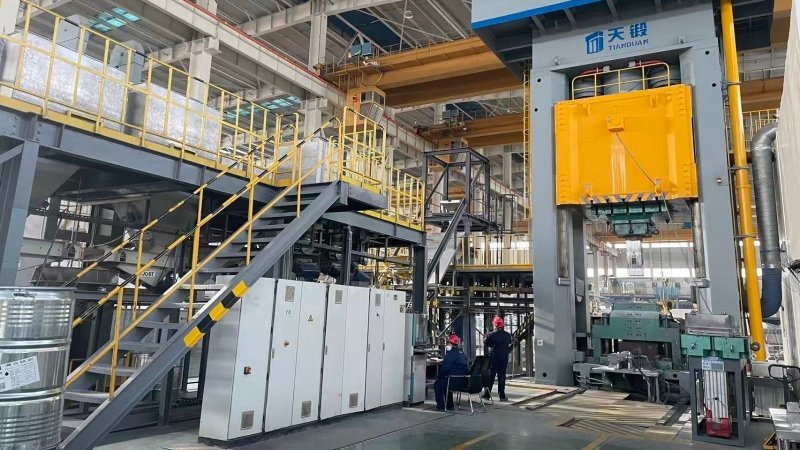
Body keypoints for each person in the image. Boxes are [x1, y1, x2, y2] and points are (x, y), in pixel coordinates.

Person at [434, 334, 470, 411]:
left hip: (454, 381)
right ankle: (449, 405)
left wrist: (439, 377)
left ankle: (440, 406)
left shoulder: (450, 354)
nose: (446, 345)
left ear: (450, 343)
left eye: (447, 343)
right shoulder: (461, 353)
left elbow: (445, 368)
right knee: (445, 382)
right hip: (464, 381)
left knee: (438, 384)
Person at [483, 316, 512, 401]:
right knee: (502, 377)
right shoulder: (507, 335)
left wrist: (485, 340)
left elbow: (488, 344)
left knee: (491, 376)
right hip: (504, 358)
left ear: (495, 325)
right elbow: (509, 345)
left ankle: (487, 395)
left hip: (494, 358)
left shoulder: (491, 334)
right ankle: (502, 396)